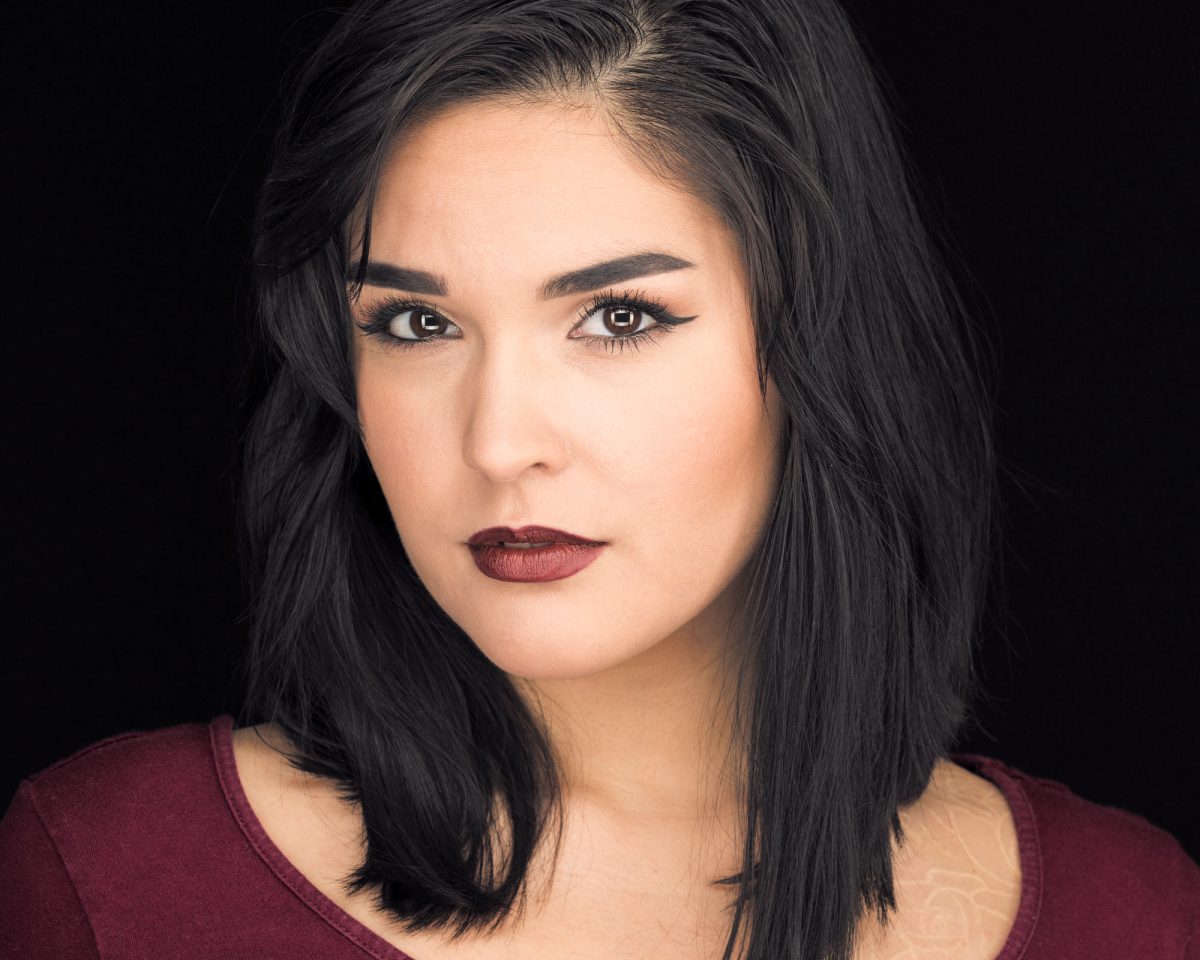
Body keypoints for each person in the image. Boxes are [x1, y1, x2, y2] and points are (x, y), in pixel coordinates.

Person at [2, 1, 1196, 958]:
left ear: (817, 352)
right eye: (417, 324)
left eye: (618, 315)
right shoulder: (118, 883)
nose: (499, 440)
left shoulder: (1134, 917)